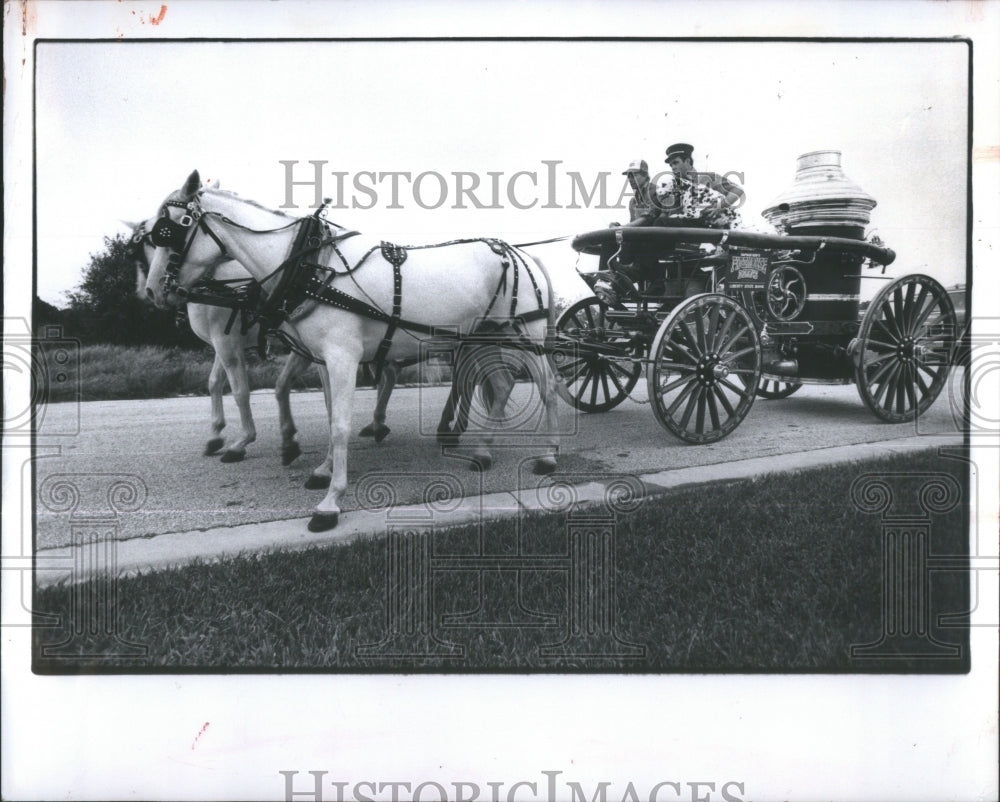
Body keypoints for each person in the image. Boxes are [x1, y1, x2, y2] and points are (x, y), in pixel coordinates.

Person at [661, 142, 744, 228]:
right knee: (659, 223)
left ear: (687, 161)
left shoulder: (707, 178)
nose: (673, 167)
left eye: (675, 163)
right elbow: (665, 213)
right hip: (683, 229)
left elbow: (737, 190)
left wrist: (719, 206)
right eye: (671, 165)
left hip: (709, 227)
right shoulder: (673, 187)